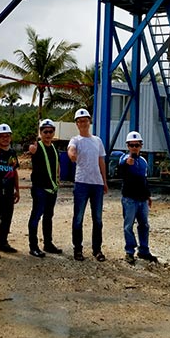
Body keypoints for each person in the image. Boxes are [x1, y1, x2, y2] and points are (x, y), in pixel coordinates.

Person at [67, 108, 108, 262]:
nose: (83, 123)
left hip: (96, 184)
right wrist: (72, 155)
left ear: (89, 122)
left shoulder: (97, 141)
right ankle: (78, 249)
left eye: (85, 120)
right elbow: (71, 150)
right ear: (77, 124)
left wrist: (104, 181)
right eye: (80, 121)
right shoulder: (75, 140)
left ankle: (97, 249)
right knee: (78, 218)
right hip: (82, 183)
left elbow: (101, 161)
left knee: (97, 219)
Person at [118, 131, 159, 264]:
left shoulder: (143, 161)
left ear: (141, 146)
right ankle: (129, 251)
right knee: (128, 226)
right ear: (127, 146)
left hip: (142, 199)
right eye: (131, 145)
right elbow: (121, 171)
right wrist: (126, 164)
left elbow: (144, 180)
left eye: (137, 145)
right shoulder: (124, 159)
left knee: (144, 225)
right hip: (129, 199)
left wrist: (148, 196)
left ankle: (144, 250)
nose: (134, 148)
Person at [27, 118, 63, 258]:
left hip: (51, 189)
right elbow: (32, 151)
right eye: (45, 131)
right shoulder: (37, 147)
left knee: (48, 217)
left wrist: (57, 178)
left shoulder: (54, 148)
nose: (48, 134)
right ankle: (33, 246)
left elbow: (56, 165)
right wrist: (31, 150)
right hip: (40, 189)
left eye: (50, 131)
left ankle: (48, 243)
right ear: (40, 133)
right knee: (36, 216)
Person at [0, 123, 20, 258]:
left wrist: (17, 190)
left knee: (7, 217)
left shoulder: (12, 153)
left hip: (9, 189)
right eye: (2, 136)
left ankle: (3, 243)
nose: (5, 139)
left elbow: (15, 171)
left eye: (7, 136)